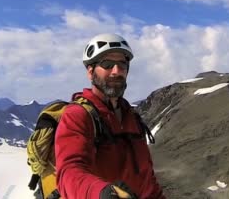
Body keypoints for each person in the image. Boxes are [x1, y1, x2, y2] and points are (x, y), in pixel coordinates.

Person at [55, 33, 165, 199]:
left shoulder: (132, 118)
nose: (117, 71)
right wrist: (102, 193)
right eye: (107, 64)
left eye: (122, 64)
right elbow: (69, 172)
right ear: (90, 72)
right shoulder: (78, 115)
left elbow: (147, 180)